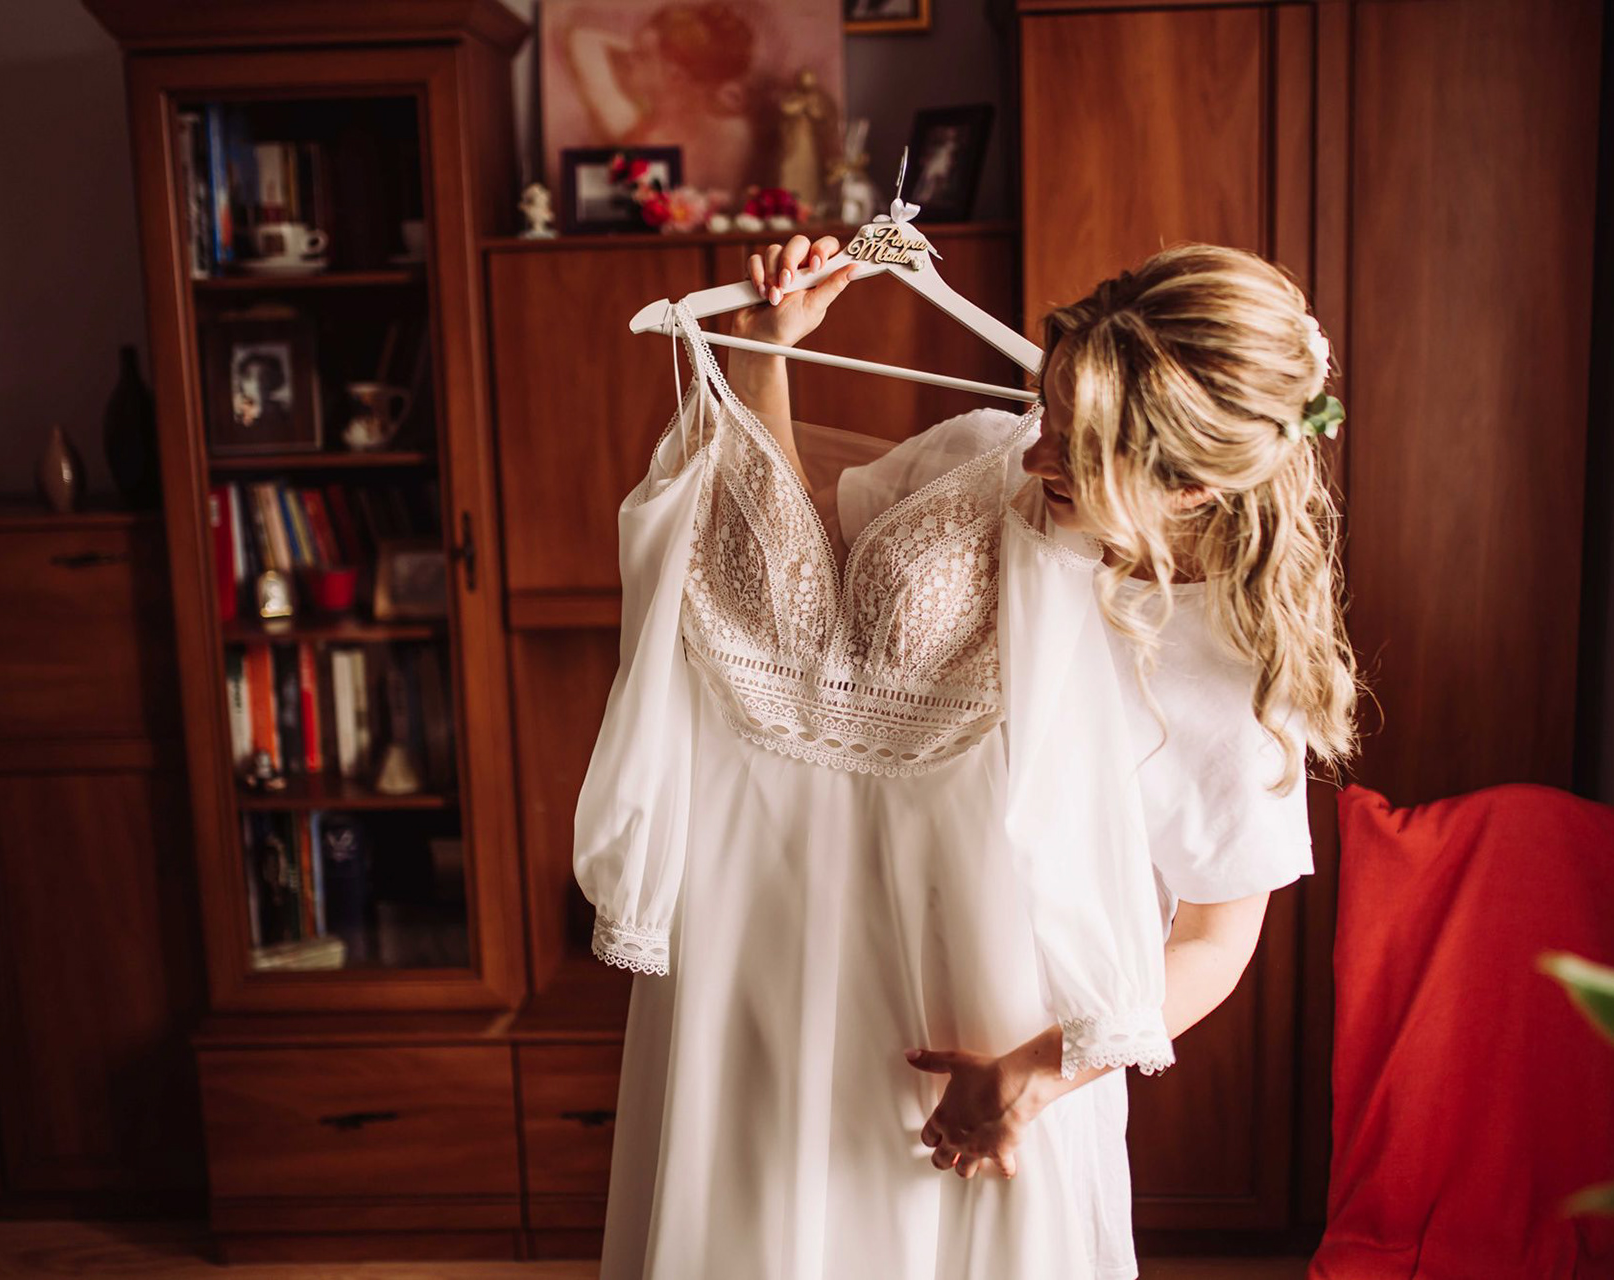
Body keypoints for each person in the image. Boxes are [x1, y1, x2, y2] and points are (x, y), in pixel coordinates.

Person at [573, 233, 1359, 1279]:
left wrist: (1035, 1074)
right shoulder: (984, 452)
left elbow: (1217, 940)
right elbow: (802, 580)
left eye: (1076, 449)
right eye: (1049, 406)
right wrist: (764, 356)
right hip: (765, 963)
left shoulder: (1230, 659)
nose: (1033, 454)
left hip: (988, 1043)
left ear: (1188, 489)